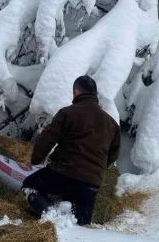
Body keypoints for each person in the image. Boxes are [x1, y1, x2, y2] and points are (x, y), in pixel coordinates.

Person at [22, 75, 120, 225]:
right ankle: (70, 219)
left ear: (76, 91)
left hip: (64, 173)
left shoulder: (68, 113)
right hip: (91, 183)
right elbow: (114, 153)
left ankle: (52, 216)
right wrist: (96, 170)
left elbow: (47, 138)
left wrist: (36, 160)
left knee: (30, 185)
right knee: (81, 222)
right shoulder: (112, 124)